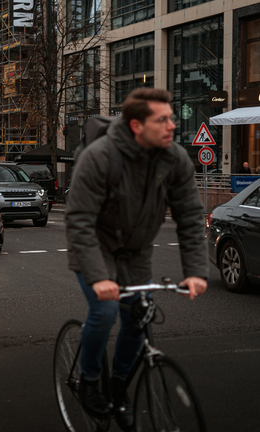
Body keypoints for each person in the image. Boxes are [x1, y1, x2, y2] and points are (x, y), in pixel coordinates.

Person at [65, 88, 208, 431]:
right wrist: (100, 277)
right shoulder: (99, 157)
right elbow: (80, 221)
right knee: (106, 309)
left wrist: (195, 271)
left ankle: (118, 390)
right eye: (162, 119)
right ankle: (89, 380)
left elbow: (189, 216)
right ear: (136, 126)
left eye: (171, 117)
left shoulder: (174, 158)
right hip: (95, 247)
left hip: (137, 253)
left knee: (139, 316)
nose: (172, 125)